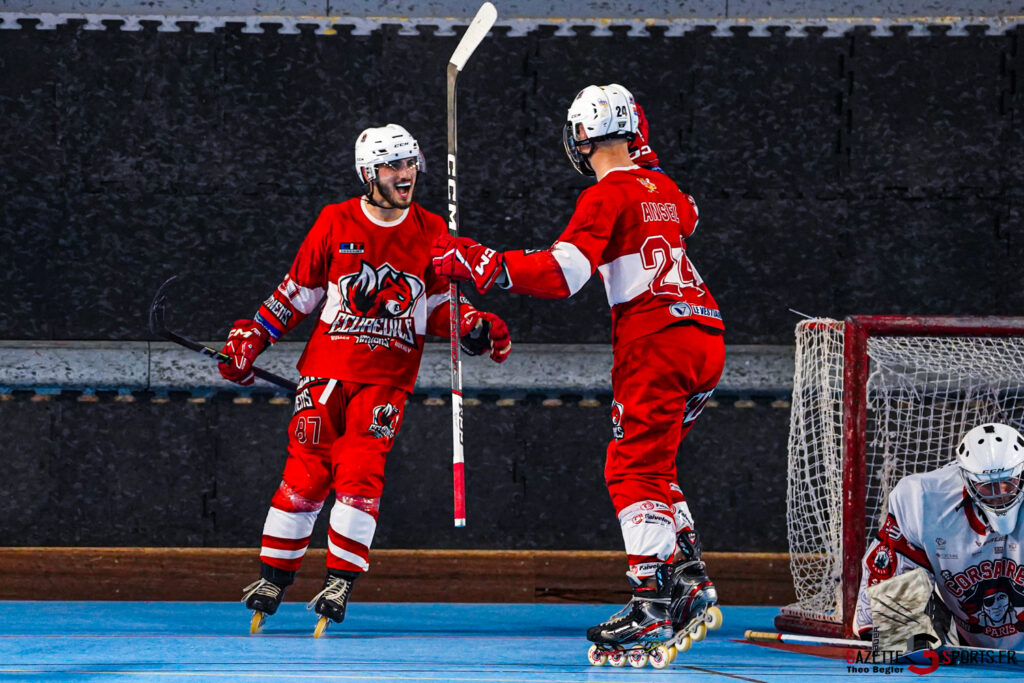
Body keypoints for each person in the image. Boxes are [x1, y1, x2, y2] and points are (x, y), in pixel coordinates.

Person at [431, 84, 725, 659]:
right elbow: (686, 214)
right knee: (657, 461)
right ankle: (688, 578)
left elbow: (565, 274)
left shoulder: (605, 195)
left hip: (656, 341)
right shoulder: (662, 187)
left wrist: (481, 261)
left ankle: (651, 600)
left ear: (580, 138)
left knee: (630, 468)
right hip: (706, 335)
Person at [220, 123, 512, 637]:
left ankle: (339, 581)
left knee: (358, 474)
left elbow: (440, 307)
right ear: (367, 173)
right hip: (326, 373)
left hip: (385, 381)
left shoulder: (431, 231)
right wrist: (251, 337)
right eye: (392, 166)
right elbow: (297, 293)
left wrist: (473, 325)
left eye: (410, 164)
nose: (405, 175)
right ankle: (273, 578)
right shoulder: (334, 221)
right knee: (305, 474)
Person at [855, 422, 1024, 650]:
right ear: (967, 479)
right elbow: (889, 586)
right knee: (892, 633)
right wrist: (890, 636)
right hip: (970, 644)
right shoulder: (923, 500)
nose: (1000, 494)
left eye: (1008, 483)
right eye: (987, 486)